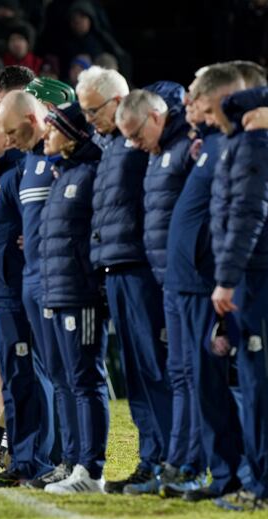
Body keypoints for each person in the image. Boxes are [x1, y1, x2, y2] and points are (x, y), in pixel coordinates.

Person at [196, 65, 268, 511]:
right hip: (267, 272)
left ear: (228, 97)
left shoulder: (259, 142)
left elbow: (246, 217)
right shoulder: (250, 141)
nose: (205, 118)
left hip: (266, 275)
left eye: (208, 107)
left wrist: (226, 279)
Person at [76, 66, 172, 493]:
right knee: (135, 372)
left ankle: (171, 461)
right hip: (115, 265)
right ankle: (150, 459)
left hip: (139, 267)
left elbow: (172, 94)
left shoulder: (138, 139)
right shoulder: (108, 142)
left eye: (93, 110)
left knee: (154, 368)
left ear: (118, 102)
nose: (88, 119)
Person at [115, 83, 202, 496]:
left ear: (155, 116)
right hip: (168, 279)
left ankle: (192, 463)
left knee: (191, 375)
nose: (133, 144)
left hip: (191, 280)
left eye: (135, 134)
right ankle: (177, 462)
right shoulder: (158, 152)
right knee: (181, 373)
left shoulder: (188, 147)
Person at [0, 81, 79, 489]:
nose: (6, 139)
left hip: (46, 282)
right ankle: (30, 458)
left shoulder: (55, 156)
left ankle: (65, 460)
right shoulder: (22, 165)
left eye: (8, 130)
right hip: (17, 286)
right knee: (26, 377)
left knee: (62, 376)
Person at [35, 101, 108, 494]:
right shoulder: (65, 173)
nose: (46, 134)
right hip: (58, 289)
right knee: (66, 379)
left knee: (85, 380)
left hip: (80, 294)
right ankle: (72, 462)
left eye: (53, 128)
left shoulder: (92, 172)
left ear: (72, 133)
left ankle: (91, 470)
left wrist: (93, 283)